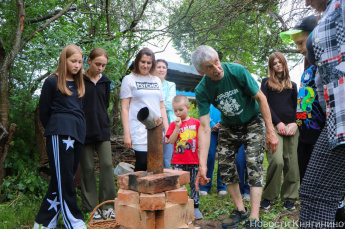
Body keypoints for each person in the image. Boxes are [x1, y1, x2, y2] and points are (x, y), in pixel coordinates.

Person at [192, 45, 278, 229]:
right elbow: (205, 128)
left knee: (253, 162)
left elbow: (261, 98)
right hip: (229, 126)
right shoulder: (202, 90)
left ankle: (254, 217)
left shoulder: (237, 71)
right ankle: (240, 210)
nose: (217, 69)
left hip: (253, 121)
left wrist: (270, 132)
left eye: (217, 62)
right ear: (200, 72)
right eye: (209, 67)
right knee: (225, 166)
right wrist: (202, 164)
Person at [298, 0, 345, 227]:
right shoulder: (331, 11)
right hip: (334, 122)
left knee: (316, 197)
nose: (306, 2)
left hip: (338, 121)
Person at [34, 44, 87, 229]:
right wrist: (56, 129)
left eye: (80, 62)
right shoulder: (52, 81)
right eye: (73, 61)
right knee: (64, 179)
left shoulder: (80, 84)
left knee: (64, 177)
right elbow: (43, 112)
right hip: (60, 133)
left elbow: (80, 110)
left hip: (77, 133)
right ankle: (74, 220)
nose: (77, 65)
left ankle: (43, 221)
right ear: (63, 59)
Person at [260, 52, 299, 211]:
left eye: (280, 62)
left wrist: (296, 123)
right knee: (277, 160)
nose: (278, 64)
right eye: (274, 63)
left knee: (292, 163)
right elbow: (265, 105)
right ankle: (269, 196)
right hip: (274, 127)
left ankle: (289, 197)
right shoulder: (266, 83)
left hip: (292, 128)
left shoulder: (293, 85)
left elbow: (299, 106)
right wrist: (277, 123)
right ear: (271, 66)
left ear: (284, 63)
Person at [80, 48, 116, 221]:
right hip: (83, 130)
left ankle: (108, 206)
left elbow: (104, 104)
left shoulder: (105, 82)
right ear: (89, 61)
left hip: (102, 129)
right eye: (97, 64)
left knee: (107, 165)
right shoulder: (78, 80)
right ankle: (91, 209)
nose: (100, 68)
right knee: (87, 168)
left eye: (103, 65)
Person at [120, 48, 169, 171]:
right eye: (143, 62)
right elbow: (125, 108)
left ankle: (153, 190)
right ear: (137, 62)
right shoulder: (129, 79)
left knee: (156, 164)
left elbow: (161, 107)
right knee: (142, 164)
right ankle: (137, 190)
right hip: (138, 128)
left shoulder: (156, 80)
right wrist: (127, 134)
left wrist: (167, 130)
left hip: (157, 130)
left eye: (149, 63)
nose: (146, 65)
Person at [165, 95, 203, 219]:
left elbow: (202, 138)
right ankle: (177, 205)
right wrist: (177, 126)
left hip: (194, 160)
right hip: (178, 161)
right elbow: (171, 140)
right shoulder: (173, 124)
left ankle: (195, 206)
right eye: (175, 110)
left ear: (188, 108)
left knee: (194, 183)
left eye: (180, 110)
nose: (178, 113)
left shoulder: (196, 123)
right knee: (178, 184)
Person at [199, 104, 227, 196]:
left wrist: (221, 122)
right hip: (209, 128)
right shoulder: (208, 92)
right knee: (209, 155)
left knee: (223, 155)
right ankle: (204, 185)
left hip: (225, 127)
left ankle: (222, 185)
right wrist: (211, 124)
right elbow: (203, 109)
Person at [233, 60, 251, 202]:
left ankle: (247, 189)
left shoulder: (249, 86)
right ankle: (238, 189)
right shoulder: (227, 89)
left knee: (250, 162)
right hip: (234, 132)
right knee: (239, 162)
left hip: (250, 130)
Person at [154, 59, 176, 168]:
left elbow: (170, 104)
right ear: (154, 68)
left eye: (164, 67)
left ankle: (166, 183)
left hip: (169, 124)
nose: (161, 69)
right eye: (159, 67)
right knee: (153, 155)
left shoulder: (171, 85)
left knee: (166, 158)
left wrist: (154, 105)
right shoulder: (150, 84)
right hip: (152, 123)